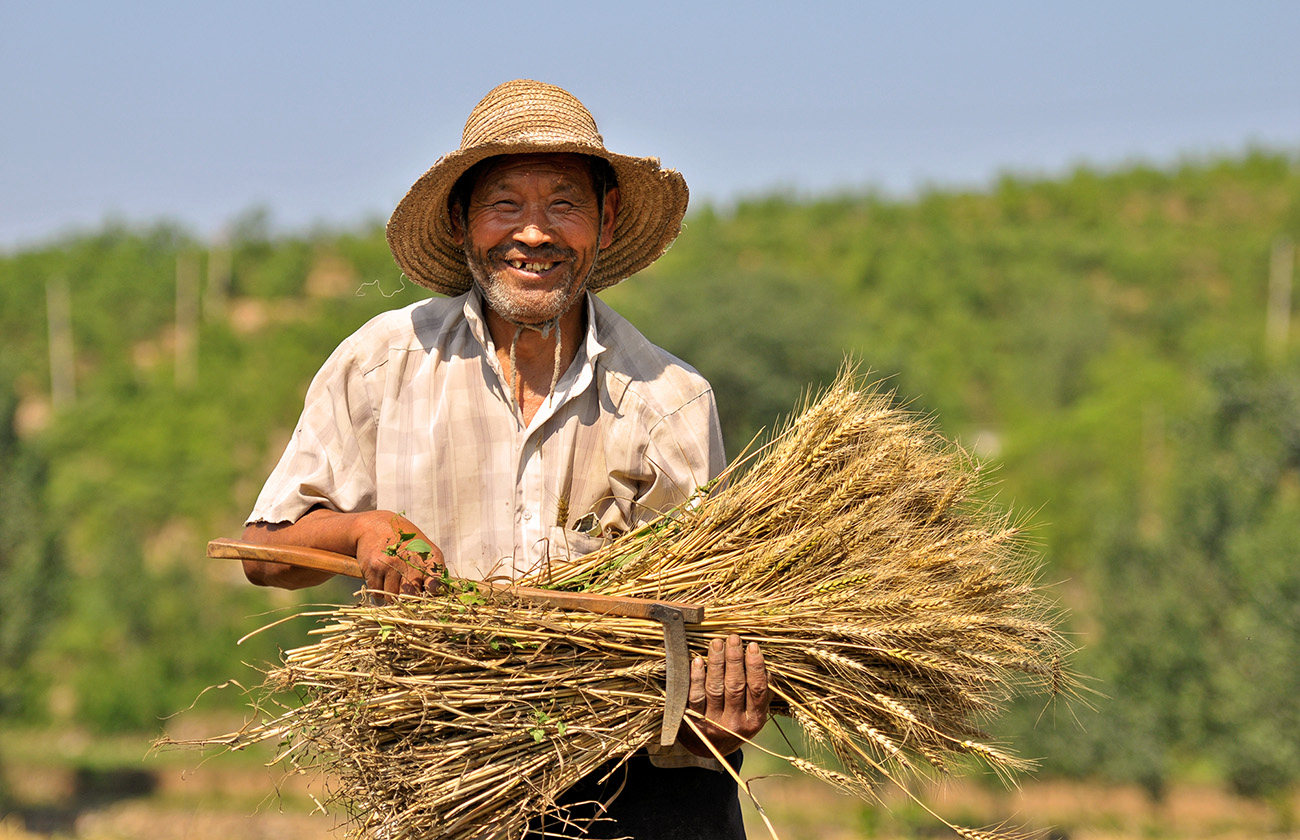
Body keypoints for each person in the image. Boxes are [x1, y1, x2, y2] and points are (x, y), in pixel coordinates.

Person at [238, 79, 769, 839]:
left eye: (563, 204)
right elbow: (263, 552)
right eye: (504, 205)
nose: (534, 233)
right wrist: (361, 534)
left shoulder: (670, 400)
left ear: (604, 221)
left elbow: (707, 627)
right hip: (443, 780)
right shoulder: (382, 365)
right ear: (462, 223)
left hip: (632, 794)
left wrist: (717, 721)